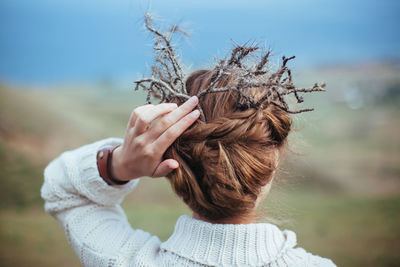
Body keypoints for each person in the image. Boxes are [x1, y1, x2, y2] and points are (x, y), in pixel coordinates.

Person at [41, 66, 337, 266]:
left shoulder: (123, 259)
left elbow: (62, 190)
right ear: (273, 159)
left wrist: (119, 165)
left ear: (172, 163)